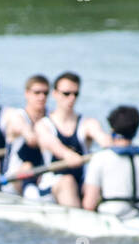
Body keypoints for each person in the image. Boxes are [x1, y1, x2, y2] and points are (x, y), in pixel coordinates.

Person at [35, 72, 110, 208]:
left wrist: (115, 145)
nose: (71, 98)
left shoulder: (88, 123)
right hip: (53, 182)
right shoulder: (43, 125)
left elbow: (103, 139)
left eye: (75, 94)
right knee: (67, 181)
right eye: (66, 94)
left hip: (83, 182)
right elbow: (54, 146)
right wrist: (67, 155)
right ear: (55, 94)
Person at [82, 105, 139, 217]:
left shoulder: (100, 158)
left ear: (112, 130)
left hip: (112, 217)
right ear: (136, 130)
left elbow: (89, 205)